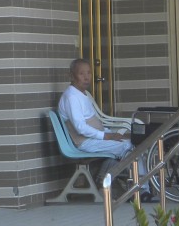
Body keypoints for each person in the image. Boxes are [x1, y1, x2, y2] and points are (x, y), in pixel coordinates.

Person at [58, 58, 152, 199]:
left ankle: (108, 177)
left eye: (89, 73)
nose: (86, 77)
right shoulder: (71, 97)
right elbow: (80, 127)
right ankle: (140, 190)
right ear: (71, 76)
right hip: (85, 142)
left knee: (133, 141)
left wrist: (112, 134)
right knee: (129, 147)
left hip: (95, 138)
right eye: (81, 73)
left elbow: (93, 124)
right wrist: (106, 136)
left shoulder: (82, 94)